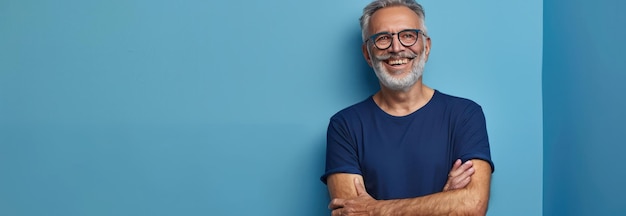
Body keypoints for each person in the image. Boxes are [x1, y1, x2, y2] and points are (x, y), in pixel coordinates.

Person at [320, 0, 495, 215]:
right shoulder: (344, 125)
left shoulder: (465, 115)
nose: (396, 48)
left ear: (426, 46)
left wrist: (377, 210)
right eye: (383, 38)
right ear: (367, 53)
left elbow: (473, 206)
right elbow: (352, 213)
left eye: (408, 35)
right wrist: (443, 201)